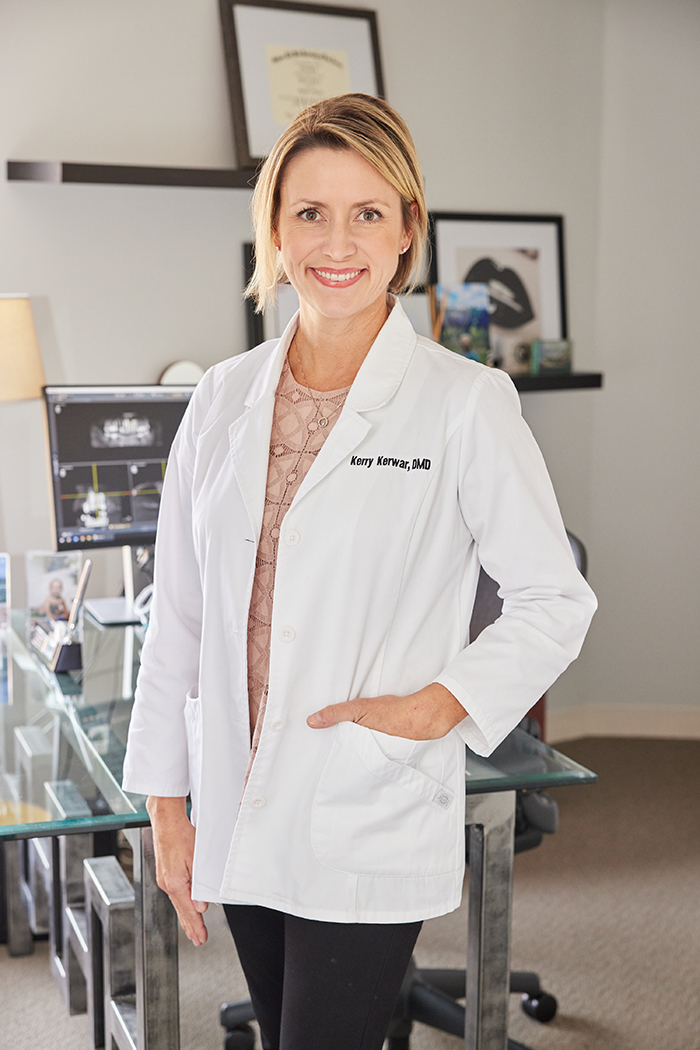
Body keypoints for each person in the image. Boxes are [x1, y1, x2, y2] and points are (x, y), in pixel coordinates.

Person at [122, 93, 596, 1050]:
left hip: (360, 794)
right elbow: (177, 618)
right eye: (310, 213)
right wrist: (166, 809)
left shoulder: (466, 403)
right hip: (235, 791)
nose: (337, 242)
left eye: (368, 212)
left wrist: (434, 708)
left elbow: (554, 600)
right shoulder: (221, 398)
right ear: (275, 229)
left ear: (407, 228)